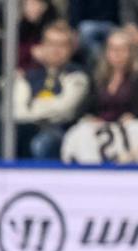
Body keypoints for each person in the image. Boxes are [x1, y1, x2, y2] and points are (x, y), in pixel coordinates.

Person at [14, 23, 90, 158]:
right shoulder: (28, 76)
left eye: (61, 45)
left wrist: (34, 106)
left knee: (41, 143)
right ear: (42, 46)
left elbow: (65, 109)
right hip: (26, 130)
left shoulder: (77, 76)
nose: (55, 50)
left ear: (71, 49)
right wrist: (46, 108)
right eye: (51, 44)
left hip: (62, 132)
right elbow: (18, 111)